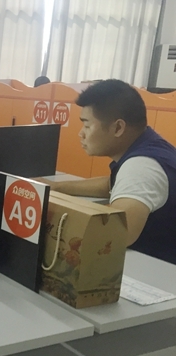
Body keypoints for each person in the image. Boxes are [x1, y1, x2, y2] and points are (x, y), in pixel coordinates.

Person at [42, 79, 176, 265]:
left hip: (157, 271)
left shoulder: (141, 167)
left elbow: (113, 233)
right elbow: (114, 183)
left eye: (87, 125)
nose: (81, 134)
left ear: (118, 128)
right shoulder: (151, 145)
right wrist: (57, 187)